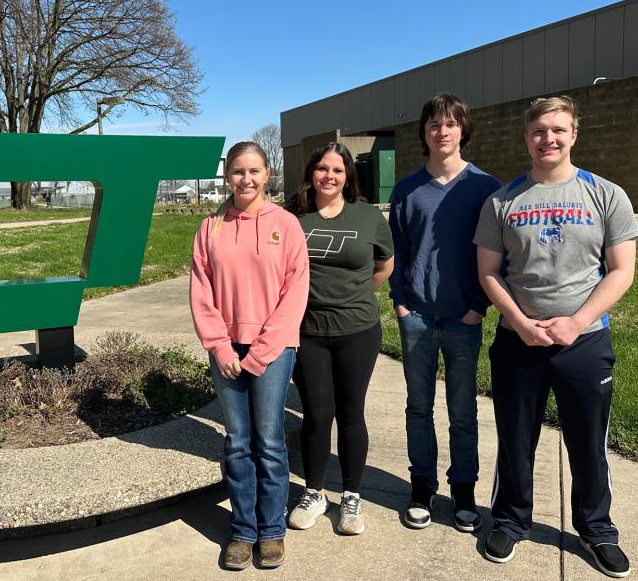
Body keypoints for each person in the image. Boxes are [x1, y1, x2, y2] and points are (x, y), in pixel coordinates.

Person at [474, 95, 638, 578]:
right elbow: (488, 272)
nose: (548, 138)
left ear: (574, 135)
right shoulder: (502, 200)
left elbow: (622, 270)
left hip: (584, 342)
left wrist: (576, 320)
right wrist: (521, 323)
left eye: (558, 130)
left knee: (588, 442)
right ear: (526, 138)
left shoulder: (605, 194)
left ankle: (597, 529)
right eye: (539, 131)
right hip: (517, 342)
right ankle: (509, 519)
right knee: (515, 438)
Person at [189, 141, 310, 571]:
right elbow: (201, 291)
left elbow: (295, 293)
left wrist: (261, 351)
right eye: (238, 171)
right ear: (227, 176)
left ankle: (272, 529)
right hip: (225, 347)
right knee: (238, 442)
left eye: (254, 171)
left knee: (270, 440)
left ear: (268, 174)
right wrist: (220, 346)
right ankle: (243, 530)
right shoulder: (211, 227)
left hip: (273, 349)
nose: (247, 179)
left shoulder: (286, 224)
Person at [388, 93, 502, 532]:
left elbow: (496, 254)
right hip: (416, 315)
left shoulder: (485, 188)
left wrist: (478, 307)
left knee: (462, 411)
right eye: (434, 124)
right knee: (418, 407)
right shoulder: (407, 190)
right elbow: (397, 251)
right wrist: (399, 301)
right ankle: (422, 487)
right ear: (425, 132)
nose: (442, 131)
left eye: (451, 123)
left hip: (462, 319)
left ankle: (463, 491)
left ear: (463, 130)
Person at [284, 142, 394, 535]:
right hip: (306, 331)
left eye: (338, 170)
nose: (329, 176)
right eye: (322, 168)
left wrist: (358, 294)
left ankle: (351, 496)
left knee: (351, 413)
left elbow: (385, 265)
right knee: (316, 413)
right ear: (311, 172)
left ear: (348, 176)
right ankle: (314, 492)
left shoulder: (367, 215)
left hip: (357, 331)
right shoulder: (292, 217)